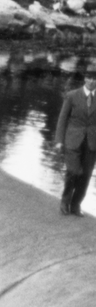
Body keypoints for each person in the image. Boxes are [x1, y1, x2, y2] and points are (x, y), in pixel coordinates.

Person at [55, 66, 96, 216]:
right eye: (90, 77)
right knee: (73, 171)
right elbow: (62, 119)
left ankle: (76, 205)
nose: (92, 81)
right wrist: (59, 140)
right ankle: (65, 202)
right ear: (85, 78)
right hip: (72, 141)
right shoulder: (72, 95)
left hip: (92, 143)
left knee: (85, 176)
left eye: (95, 78)